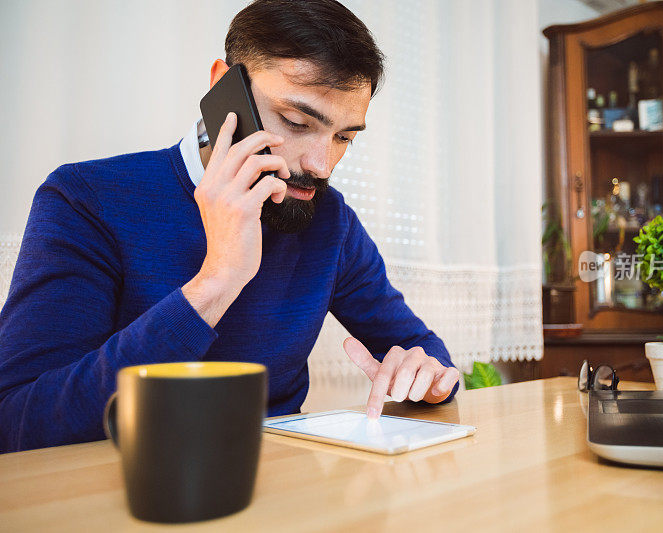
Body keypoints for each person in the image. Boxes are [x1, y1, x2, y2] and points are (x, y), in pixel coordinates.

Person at [0, 0, 459, 453]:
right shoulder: (85, 199)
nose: (322, 166)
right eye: (296, 121)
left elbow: (422, 349)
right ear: (224, 87)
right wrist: (216, 282)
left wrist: (427, 376)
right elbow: (18, 422)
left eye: (344, 137)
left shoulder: (329, 219)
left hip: (279, 494)